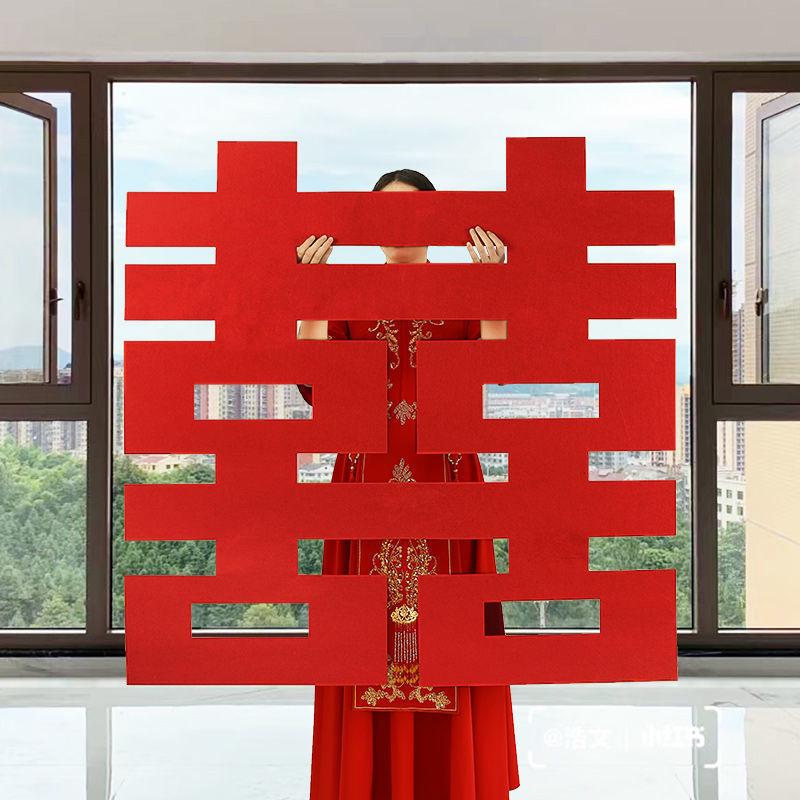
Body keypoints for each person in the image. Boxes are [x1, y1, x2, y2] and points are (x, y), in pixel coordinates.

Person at [296, 168, 520, 799]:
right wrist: (307, 290)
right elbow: (317, 388)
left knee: (454, 636)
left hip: (447, 479)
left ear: (435, 219)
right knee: (361, 636)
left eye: (413, 212)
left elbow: (494, 373)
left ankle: (455, 780)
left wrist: (493, 285)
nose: (398, 227)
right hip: (365, 482)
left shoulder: (462, 289)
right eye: (384, 213)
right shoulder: (344, 293)